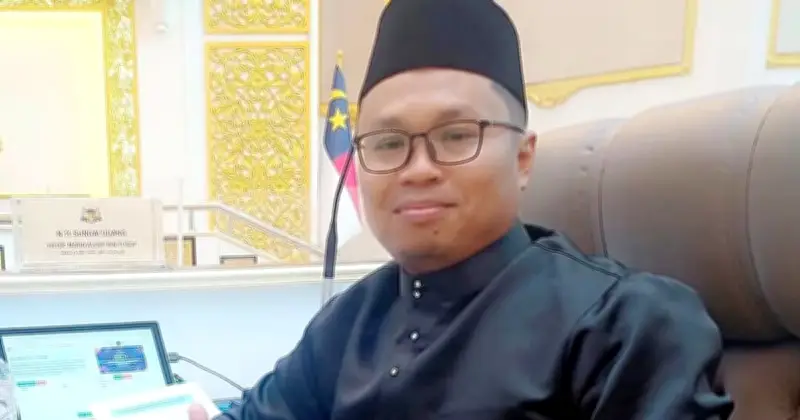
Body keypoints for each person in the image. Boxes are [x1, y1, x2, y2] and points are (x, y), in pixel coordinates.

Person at [190, 0, 733, 418]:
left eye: (455, 135)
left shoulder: (626, 324)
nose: (417, 169)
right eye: (387, 143)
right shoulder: (349, 321)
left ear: (523, 159)